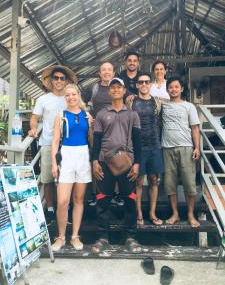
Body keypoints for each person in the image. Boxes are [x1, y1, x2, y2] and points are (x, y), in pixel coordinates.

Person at [92, 77, 142, 253]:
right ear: (109, 91)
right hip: (104, 162)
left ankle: (130, 236)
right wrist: (94, 161)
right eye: (112, 87)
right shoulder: (101, 114)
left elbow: (138, 141)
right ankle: (102, 237)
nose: (115, 90)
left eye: (118, 87)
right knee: (103, 199)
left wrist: (137, 164)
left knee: (129, 199)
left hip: (127, 163)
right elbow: (96, 140)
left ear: (123, 91)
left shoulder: (132, 114)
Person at [28, 65, 76, 221]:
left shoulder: (70, 97)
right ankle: (49, 209)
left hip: (69, 144)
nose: (59, 81)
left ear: (66, 80)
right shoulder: (43, 99)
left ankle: (66, 209)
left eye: (62, 78)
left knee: (66, 178)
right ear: (51, 80)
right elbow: (34, 118)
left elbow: (79, 112)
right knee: (48, 178)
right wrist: (33, 129)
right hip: (48, 142)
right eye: (56, 78)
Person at [51, 84, 92, 251]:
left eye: (73, 94)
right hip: (66, 156)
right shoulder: (61, 115)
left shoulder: (87, 115)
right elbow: (55, 141)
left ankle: (75, 236)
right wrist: (54, 162)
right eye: (67, 95)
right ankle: (61, 236)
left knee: (79, 199)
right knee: (62, 201)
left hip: (83, 156)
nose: (71, 97)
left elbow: (91, 139)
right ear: (65, 97)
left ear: (78, 95)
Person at [82, 62, 124, 206]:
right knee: (96, 159)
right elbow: (79, 101)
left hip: (116, 130)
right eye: (103, 70)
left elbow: (131, 98)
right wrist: (88, 114)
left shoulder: (118, 87)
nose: (106, 72)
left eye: (109, 70)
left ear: (113, 73)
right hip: (97, 130)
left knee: (117, 159)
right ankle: (95, 193)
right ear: (100, 73)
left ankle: (116, 194)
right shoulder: (93, 88)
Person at [161, 76, 200, 227]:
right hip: (167, 148)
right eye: (170, 87)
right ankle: (175, 213)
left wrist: (196, 147)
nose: (173, 89)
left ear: (182, 89)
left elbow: (195, 128)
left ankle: (190, 214)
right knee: (170, 183)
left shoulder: (189, 106)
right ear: (167, 89)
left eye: (176, 87)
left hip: (186, 147)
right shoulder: (163, 106)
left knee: (189, 183)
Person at [130, 72, 164, 226]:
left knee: (154, 180)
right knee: (138, 181)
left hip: (154, 145)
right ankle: (138, 213)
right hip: (138, 147)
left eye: (146, 82)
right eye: (141, 82)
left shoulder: (157, 102)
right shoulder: (131, 102)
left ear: (150, 84)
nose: (144, 85)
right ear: (137, 85)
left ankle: (152, 212)